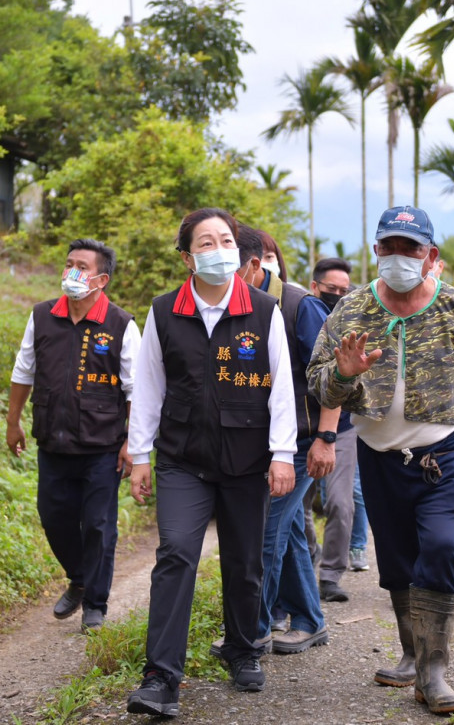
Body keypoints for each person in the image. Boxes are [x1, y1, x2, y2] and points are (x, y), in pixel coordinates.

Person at [308, 206, 454, 715]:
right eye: (391, 247)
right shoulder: (352, 311)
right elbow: (317, 382)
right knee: (398, 562)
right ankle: (411, 653)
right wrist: (344, 374)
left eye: (412, 248)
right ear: (376, 250)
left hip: (443, 456)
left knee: (443, 548)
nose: (399, 257)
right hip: (379, 457)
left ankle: (434, 671)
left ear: (431, 256)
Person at [125, 208, 297, 718]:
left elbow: (283, 389)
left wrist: (282, 454)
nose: (218, 249)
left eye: (226, 240)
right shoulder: (163, 312)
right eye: (206, 242)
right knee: (176, 553)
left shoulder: (263, 311)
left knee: (244, 562)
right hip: (182, 459)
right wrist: (139, 456)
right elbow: (149, 387)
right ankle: (160, 677)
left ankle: (243, 651)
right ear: (187, 257)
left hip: (247, 461)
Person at [5, 239, 140, 632]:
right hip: (53, 440)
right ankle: (79, 577)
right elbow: (23, 372)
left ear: (101, 279)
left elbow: (137, 390)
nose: (72, 272)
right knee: (53, 516)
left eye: (82, 266)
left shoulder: (121, 324)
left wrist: (133, 441)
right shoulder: (42, 316)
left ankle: (95, 603)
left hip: (103, 446)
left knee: (98, 524)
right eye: (69, 264)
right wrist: (12, 422)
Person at [231, 224, 337, 655]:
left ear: (254, 265)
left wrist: (326, 438)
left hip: (301, 443)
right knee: (290, 531)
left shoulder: (300, 306)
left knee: (264, 534)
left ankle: (251, 631)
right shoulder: (233, 305)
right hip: (261, 441)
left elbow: (335, 379)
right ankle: (310, 620)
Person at [307, 257, 369, 603]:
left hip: (343, 428)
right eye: (332, 290)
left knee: (341, 504)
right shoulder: (301, 315)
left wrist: (329, 435)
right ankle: (310, 554)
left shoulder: (353, 322)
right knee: (296, 508)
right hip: (301, 426)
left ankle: (330, 574)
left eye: (345, 291)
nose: (339, 295)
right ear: (315, 287)